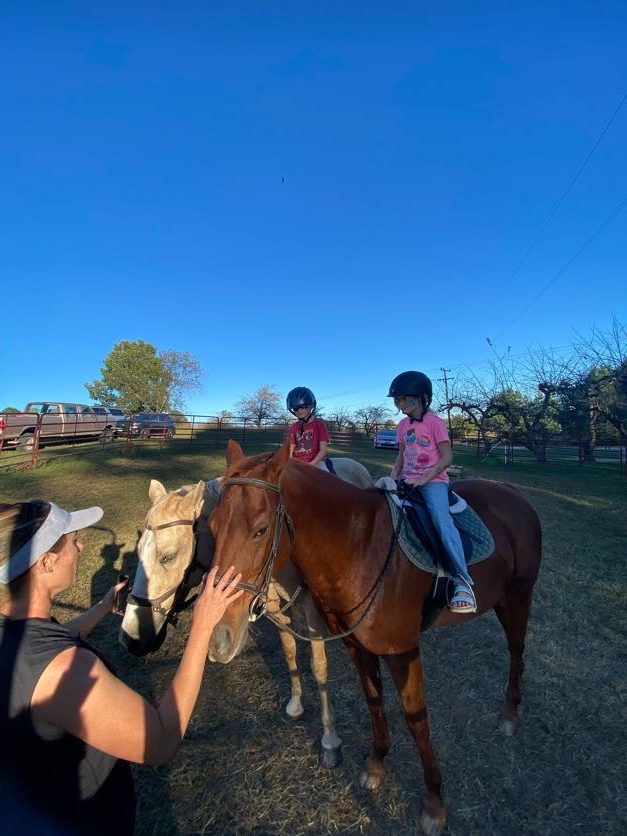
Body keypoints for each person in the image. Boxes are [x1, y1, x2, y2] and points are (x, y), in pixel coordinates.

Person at [0, 499, 242, 834]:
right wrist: (201, 627)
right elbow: (160, 740)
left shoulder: (13, 632)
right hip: (80, 821)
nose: (82, 545)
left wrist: (100, 609)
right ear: (45, 562)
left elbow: (43, 642)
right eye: (73, 540)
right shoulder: (62, 669)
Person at [387, 371, 477, 614]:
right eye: (398, 400)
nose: (402, 404)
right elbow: (402, 454)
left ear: (423, 398)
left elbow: (447, 457)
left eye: (406, 399)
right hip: (407, 479)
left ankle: (462, 580)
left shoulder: (435, 423)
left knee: (440, 520)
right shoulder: (403, 425)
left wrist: (425, 478)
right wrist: (393, 477)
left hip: (433, 480)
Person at [286, 386, 331, 468]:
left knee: (324, 476)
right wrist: (289, 463)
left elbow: (323, 450)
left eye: (303, 407)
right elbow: (291, 448)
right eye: (295, 408)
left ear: (311, 405)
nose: (299, 411)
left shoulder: (320, 425)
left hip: (316, 463)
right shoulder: (294, 427)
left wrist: (310, 466)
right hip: (297, 462)